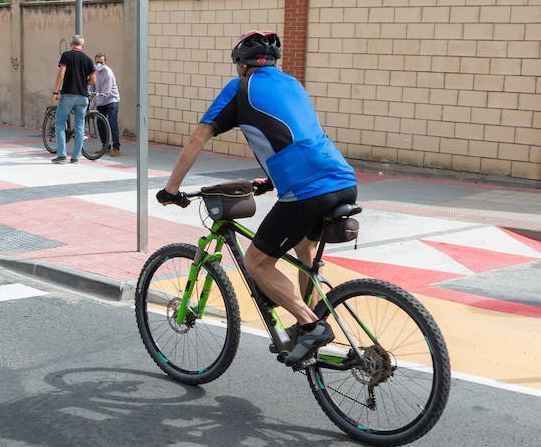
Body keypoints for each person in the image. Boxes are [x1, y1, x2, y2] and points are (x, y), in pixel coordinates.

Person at [157, 31, 357, 365]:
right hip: (344, 179)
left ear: (242, 65)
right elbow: (294, 136)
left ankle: (311, 326)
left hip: (307, 191)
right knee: (304, 250)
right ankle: (301, 326)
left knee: (257, 263)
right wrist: (270, 180)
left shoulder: (239, 89)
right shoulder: (293, 84)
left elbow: (198, 137)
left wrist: (171, 190)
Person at [52, 34, 95, 163]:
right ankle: (76, 157)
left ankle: (62, 155)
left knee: (59, 123)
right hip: (83, 97)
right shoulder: (88, 60)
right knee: (80, 126)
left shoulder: (66, 55)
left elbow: (61, 73)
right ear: (83, 45)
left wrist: (55, 91)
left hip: (68, 95)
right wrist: (82, 83)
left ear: (71, 44)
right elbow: (93, 80)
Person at [92, 51, 121, 157]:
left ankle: (116, 148)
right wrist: (91, 101)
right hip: (101, 100)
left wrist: (95, 103)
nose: (99, 64)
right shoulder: (94, 71)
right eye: (97, 62)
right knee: (100, 122)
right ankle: (105, 146)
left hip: (111, 100)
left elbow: (106, 93)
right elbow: (92, 86)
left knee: (112, 122)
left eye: (101, 62)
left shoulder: (108, 73)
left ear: (105, 62)